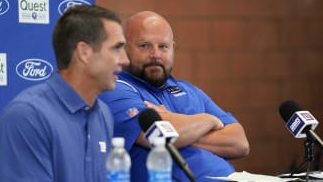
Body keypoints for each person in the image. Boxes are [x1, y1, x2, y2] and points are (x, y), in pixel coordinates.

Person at [100, 11, 250, 182]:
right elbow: (159, 136)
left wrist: (177, 122)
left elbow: (240, 143)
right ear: (124, 48)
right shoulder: (115, 88)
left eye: (163, 46)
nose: (155, 54)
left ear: (173, 48)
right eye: (144, 46)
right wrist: (210, 121)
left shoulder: (188, 90)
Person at [0, 4, 129, 182]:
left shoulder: (103, 114)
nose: (125, 60)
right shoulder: (26, 117)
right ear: (84, 52)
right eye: (116, 48)